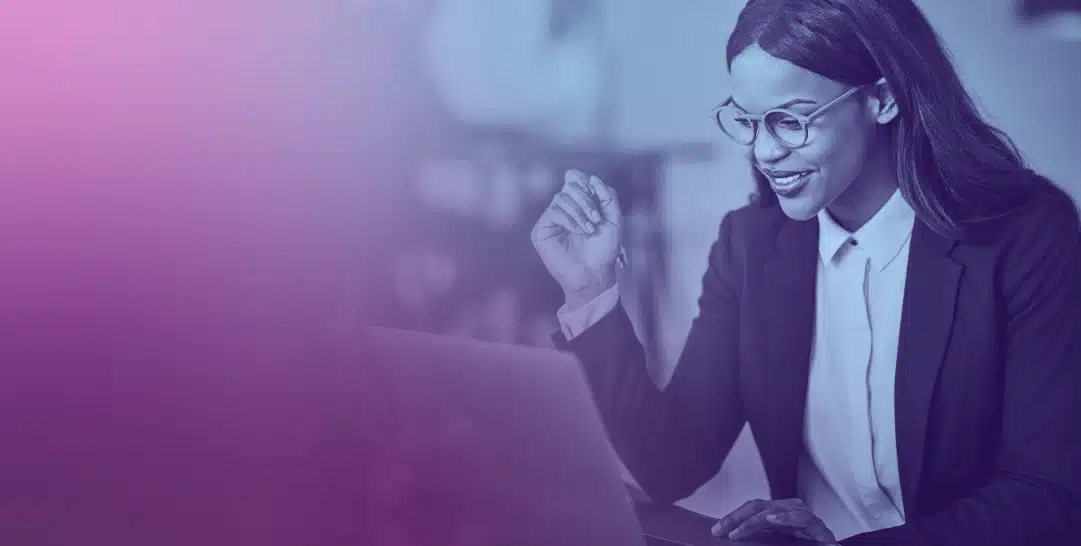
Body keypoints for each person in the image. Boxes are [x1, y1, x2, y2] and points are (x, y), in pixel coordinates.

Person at [529, 1, 1081, 545]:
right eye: (747, 121)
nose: (765, 151)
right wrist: (590, 289)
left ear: (883, 99)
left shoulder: (1027, 236)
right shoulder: (749, 245)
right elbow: (672, 462)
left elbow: (1047, 496)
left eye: (790, 121)